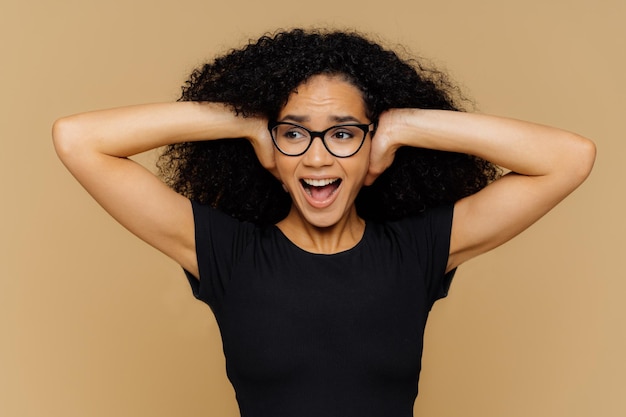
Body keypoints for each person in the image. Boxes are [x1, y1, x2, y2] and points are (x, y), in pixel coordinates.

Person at [52, 28, 596, 417]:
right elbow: (78, 141)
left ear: (372, 150)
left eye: (342, 134)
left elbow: (569, 158)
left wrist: (403, 123)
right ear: (271, 149)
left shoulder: (419, 250)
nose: (316, 158)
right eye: (293, 133)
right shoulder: (226, 253)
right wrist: (243, 117)